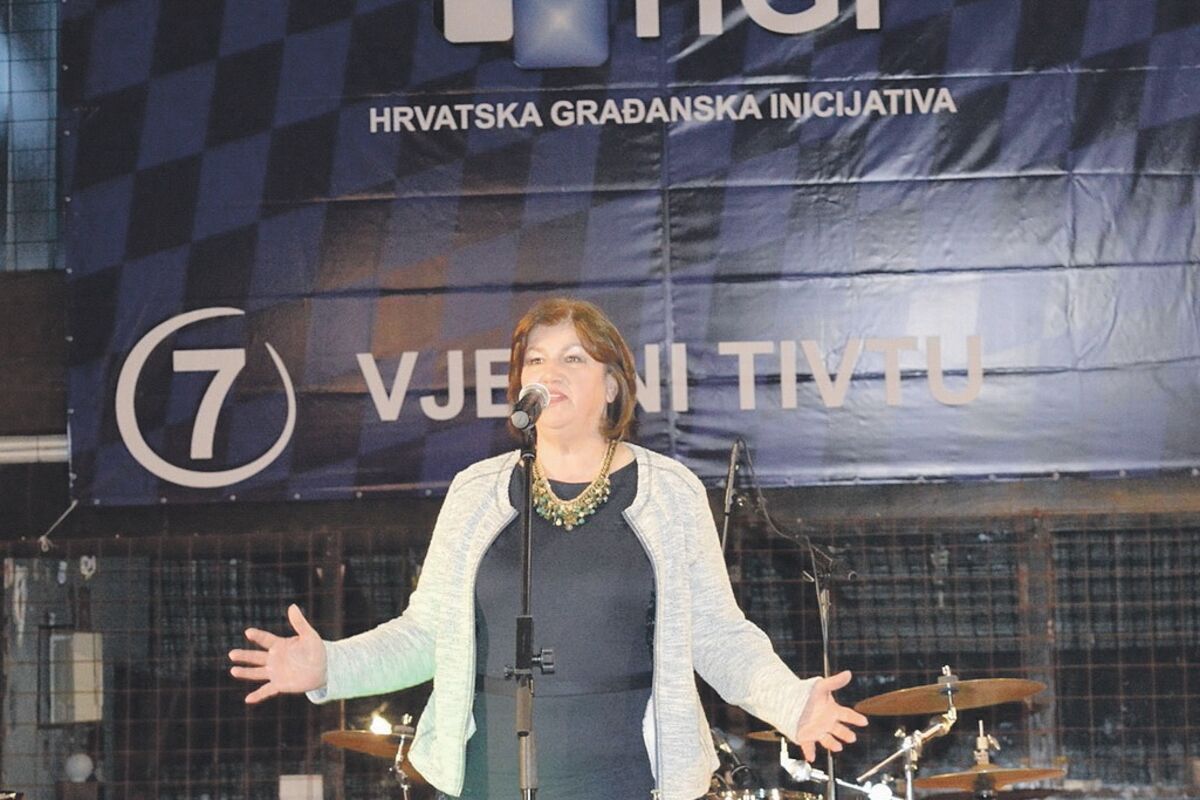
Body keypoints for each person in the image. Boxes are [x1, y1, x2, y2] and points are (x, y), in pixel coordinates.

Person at [229, 297, 867, 800]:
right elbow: (426, 635)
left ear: (612, 386)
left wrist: (791, 701)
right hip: (488, 777)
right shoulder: (477, 492)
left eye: (573, 359)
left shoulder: (669, 493)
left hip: (623, 777)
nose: (548, 373)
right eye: (535, 360)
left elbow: (718, 635)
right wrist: (330, 667)